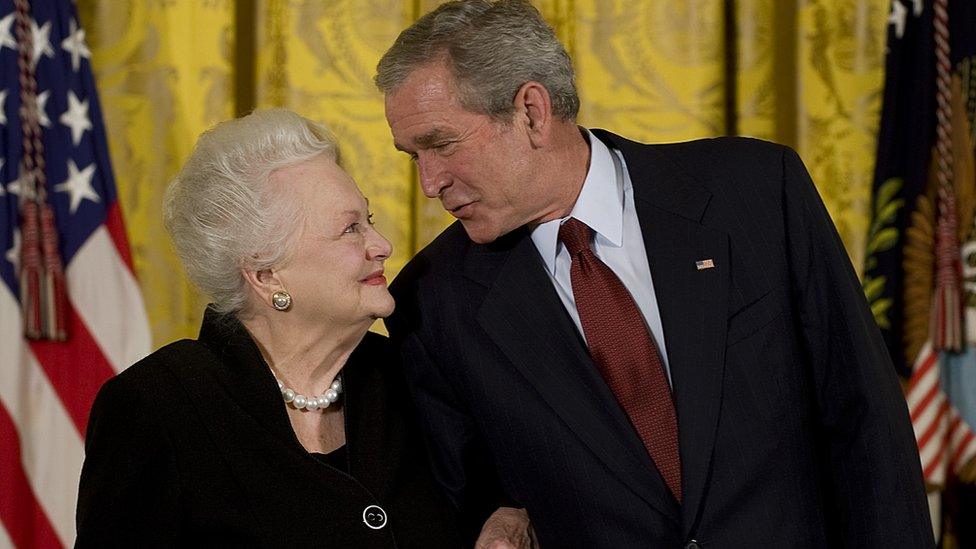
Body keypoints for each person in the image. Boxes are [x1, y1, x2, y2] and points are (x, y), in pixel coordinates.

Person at [376, 1, 934, 547]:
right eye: (412, 157)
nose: (429, 183)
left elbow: (865, 425)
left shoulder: (757, 192)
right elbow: (463, 498)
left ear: (531, 111)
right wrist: (496, 517)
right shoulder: (434, 300)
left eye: (441, 144)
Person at [75, 109, 526, 547]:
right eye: (350, 229)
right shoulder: (158, 404)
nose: (382, 245)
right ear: (266, 273)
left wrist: (509, 516)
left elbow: (506, 490)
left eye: (367, 220)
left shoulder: (410, 373)